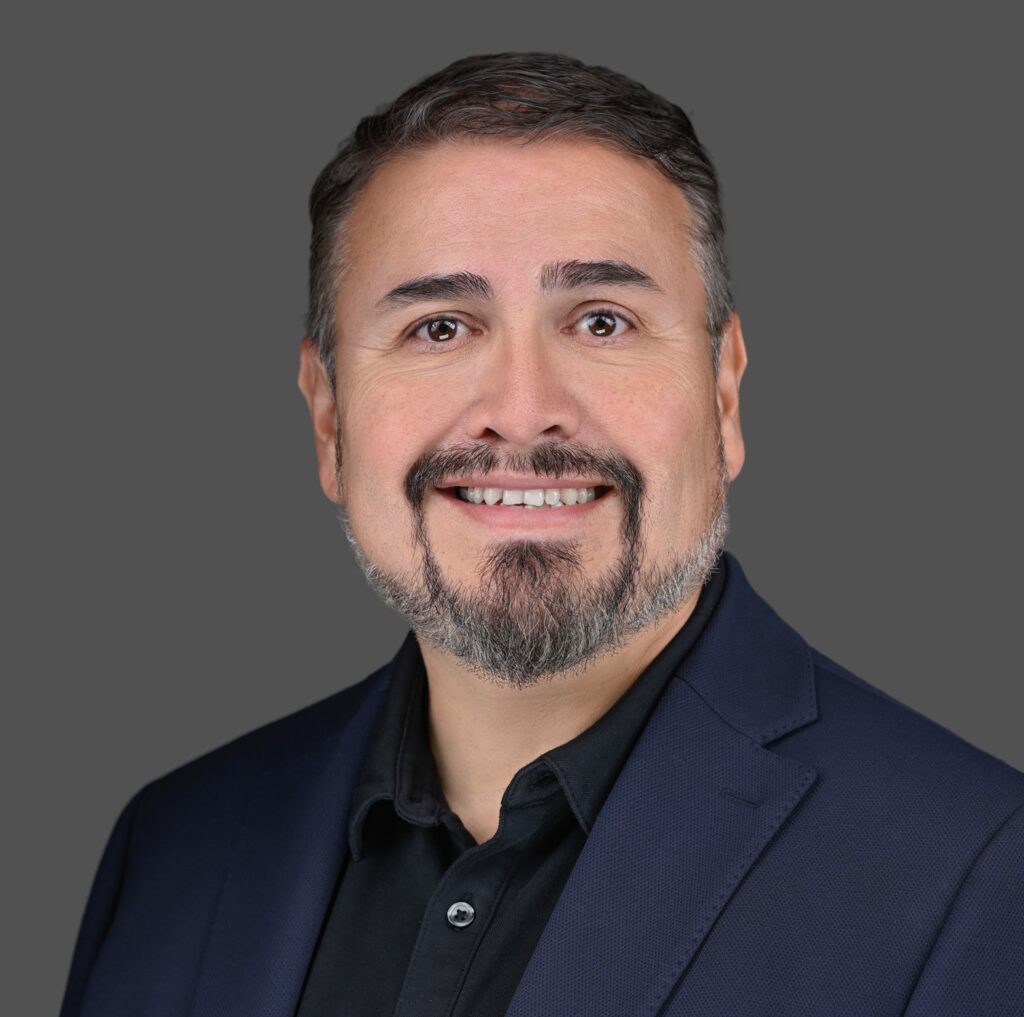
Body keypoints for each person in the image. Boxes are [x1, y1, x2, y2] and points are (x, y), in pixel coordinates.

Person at [60, 52, 1024, 1017]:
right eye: (440, 328)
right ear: (328, 419)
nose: (523, 413)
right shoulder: (173, 848)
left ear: (723, 392)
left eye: (601, 321)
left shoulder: (978, 876)